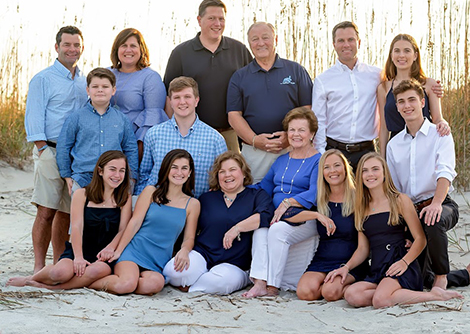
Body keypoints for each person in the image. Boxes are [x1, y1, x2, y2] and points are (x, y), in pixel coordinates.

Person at [386, 79, 470, 290]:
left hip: (441, 204)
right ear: (397, 107)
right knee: (420, 280)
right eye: (401, 102)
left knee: (431, 219)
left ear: (423, 102)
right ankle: (468, 274)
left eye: (411, 100)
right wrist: (405, 223)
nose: (407, 105)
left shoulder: (440, 134)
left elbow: (445, 172)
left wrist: (435, 203)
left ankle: (442, 276)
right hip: (411, 211)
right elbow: (395, 189)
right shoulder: (393, 145)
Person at [332, 153, 463, 308]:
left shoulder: (399, 200)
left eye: (375, 169)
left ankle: (433, 295)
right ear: (360, 176)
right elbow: (363, 248)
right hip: (378, 267)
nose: (370, 174)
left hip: (400, 264)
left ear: (384, 173)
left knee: (380, 301)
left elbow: (420, 239)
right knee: (353, 295)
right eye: (365, 171)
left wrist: (404, 262)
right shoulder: (361, 207)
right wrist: (346, 267)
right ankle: (391, 294)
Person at [312, 22, 443, 171]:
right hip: (334, 150)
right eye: (341, 41)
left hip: (367, 151)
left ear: (359, 42)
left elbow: (404, 84)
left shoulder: (376, 75)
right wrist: (321, 154)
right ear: (334, 44)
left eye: (351, 40)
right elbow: (319, 122)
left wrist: (436, 90)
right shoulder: (323, 80)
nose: (346, 45)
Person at [7, 151, 132, 290]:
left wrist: (110, 248)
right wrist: (78, 257)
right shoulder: (82, 194)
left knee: (97, 270)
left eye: (122, 171)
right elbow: (76, 227)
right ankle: (30, 278)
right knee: (59, 273)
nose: (117, 175)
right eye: (112, 169)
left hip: (103, 256)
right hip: (78, 249)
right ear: (100, 171)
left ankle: (53, 288)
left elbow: (123, 229)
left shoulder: (124, 197)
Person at [89, 149, 200, 295]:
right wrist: (118, 251)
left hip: (157, 260)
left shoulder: (192, 204)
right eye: (174, 167)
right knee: (126, 284)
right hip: (134, 251)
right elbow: (134, 223)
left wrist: (185, 250)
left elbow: (189, 237)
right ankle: (90, 283)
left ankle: (123, 280)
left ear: (190, 172)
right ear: (166, 169)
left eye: (184, 168)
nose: (179, 172)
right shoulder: (151, 192)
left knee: (154, 285)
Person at [163, 151, 274, 294]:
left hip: (236, 264)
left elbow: (265, 216)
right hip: (203, 255)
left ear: (244, 173)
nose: (227, 175)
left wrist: (237, 228)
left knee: (220, 283)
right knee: (172, 272)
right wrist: (184, 251)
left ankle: (191, 286)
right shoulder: (207, 198)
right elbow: (190, 230)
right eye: (222, 172)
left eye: (232, 170)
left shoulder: (257, 196)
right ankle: (199, 279)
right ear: (217, 176)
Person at [25, 25, 88, 273]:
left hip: (76, 155)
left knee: (66, 211)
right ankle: (39, 266)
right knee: (46, 210)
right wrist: (43, 150)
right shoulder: (43, 79)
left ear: (82, 48)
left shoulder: (85, 81)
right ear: (57, 47)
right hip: (50, 151)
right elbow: (34, 118)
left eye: (76, 45)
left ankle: (58, 264)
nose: (72, 49)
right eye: (67, 45)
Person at [243, 107, 321, 298]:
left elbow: (316, 191)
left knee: (277, 230)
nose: (296, 135)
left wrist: (288, 202)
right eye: (292, 130)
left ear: (311, 133)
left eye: (301, 130)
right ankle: (260, 282)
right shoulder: (281, 160)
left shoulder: (319, 160)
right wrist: (238, 190)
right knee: (261, 228)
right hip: (278, 215)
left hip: (305, 218)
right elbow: (265, 187)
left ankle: (273, 287)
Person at [163, 0, 253, 152]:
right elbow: (169, 97)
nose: (217, 24)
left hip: (230, 134)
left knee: (231, 175)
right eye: (211, 18)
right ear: (199, 20)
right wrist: (174, 133)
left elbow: (252, 90)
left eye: (221, 19)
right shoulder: (181, 53)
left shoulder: (239, 50)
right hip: (192, 134)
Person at [227, 22, 313, 182]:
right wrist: (255, 140)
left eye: (265, 38)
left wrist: (290, 137)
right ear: (250, 44)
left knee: (291, 195)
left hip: (292, 148)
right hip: (254, 154)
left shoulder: (296, 70)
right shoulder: (239, 77)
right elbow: (233, 116)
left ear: (276, 39)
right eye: (255, 39)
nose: (260, 43)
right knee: (255, 198)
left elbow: (307, 110)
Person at [136, 76, 227, 197]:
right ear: (170, 102)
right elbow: (145, 175)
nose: (182, 102)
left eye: (187, 97)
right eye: (177, 97)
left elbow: (222, 180)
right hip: (158, 207)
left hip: (198, 208)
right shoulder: (154, 134)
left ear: (196, 100)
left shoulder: (215, 139)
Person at [296, 149, 368, 301]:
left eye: (337, 165)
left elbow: (363, 247)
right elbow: (289, 215)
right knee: (304, 292)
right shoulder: (320, 198)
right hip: (322, 259)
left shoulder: (359, 198)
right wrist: (316, 215)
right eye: (326, 167)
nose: (332, 171)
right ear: (321, 172)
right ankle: (330, 285)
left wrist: (346, 267)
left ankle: (353, 286)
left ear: (345, 168)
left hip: (350, 261)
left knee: (329, 292)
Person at [57, 68, 139, 193]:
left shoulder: (122, 119)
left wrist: (132, 177)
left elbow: (131, 149)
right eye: (95, 86)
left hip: (114, 178)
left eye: (105, 86)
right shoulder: (76, 118)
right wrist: (67, 176)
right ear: (88, 90)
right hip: (83, 177)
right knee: (82, 211)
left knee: (111, 212)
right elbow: (63, 147)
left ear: (113, 90)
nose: (100, 90)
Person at [378, 34, 450, 157]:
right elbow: (384, 128)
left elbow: (438, 118)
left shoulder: (428, 84)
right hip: (397, 150)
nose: (401, 55)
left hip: (424, 146)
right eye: (397, 51)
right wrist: (383, 159)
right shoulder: (384, 88)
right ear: (391, 55)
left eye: (407, 50)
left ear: (415, 55)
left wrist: (444, 124)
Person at [109, 28, 168, 161]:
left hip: (134, 144)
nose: (128, 50)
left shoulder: (150, 77)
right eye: (124, 45)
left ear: (141, 50)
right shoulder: (107, 74)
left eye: (133, 46)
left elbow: (153, 116)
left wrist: (138, 149)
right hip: (107, 141)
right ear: (116, 49)